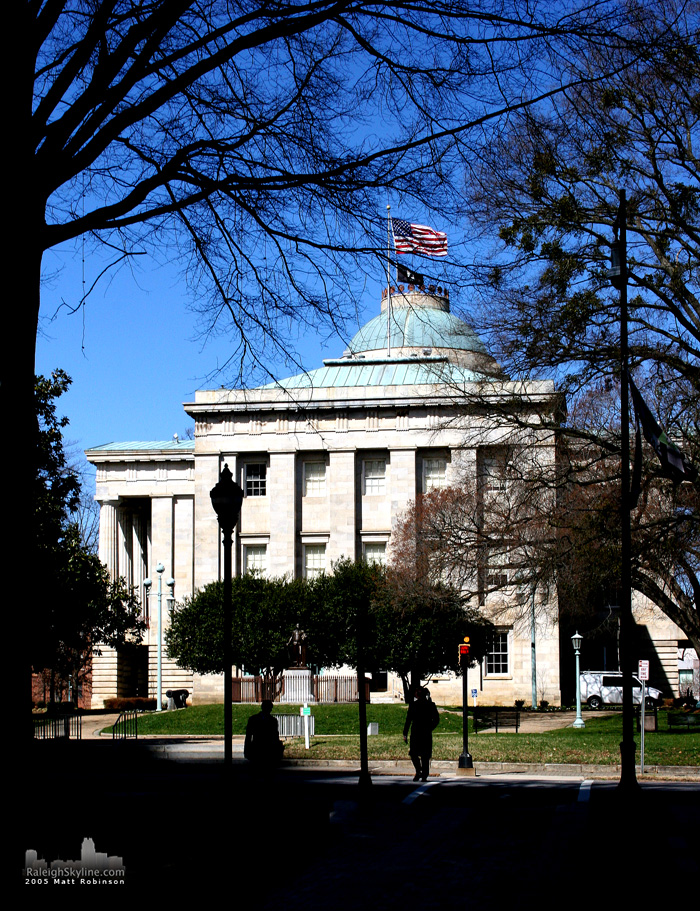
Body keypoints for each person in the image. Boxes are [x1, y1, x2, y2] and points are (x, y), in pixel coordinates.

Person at [403, 686, 440, 781]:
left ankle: (418, 770)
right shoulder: (431, 705)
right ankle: (424, 774)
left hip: (415, 732)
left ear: (417, 695)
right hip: (426, 732)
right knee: (425, 755)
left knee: (414, 753)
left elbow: (408, 720)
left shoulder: (413, 705)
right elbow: (436, 719)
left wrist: (405, 733)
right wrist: (430, 727)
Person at [244, 700, 284, 769]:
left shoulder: (254, 719)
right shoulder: (255, 719)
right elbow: (248, 736)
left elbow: (275, 736)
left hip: (266, 750)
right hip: (259, 749)